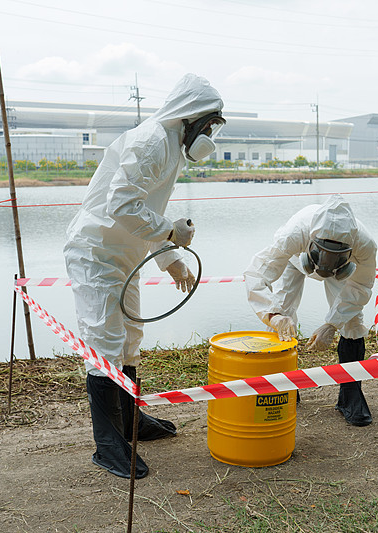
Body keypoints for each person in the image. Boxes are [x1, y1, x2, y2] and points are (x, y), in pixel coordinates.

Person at [63, 73, 225, 479]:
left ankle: (131, 421)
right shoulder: (152, 141)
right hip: (96, 252)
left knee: (130, 339)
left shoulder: (171, 147)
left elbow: (146, 210)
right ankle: (108, 446)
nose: (208, 135)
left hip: (125, 254)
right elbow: (121, 205)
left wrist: (171, 260)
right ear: (189, 117)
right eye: (208, 125)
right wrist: (170, 232)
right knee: (105, 343)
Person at [244, 194, 378, 426]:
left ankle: (350, 397)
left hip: (342, 270)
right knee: (282, 311)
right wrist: (274, 316)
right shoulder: (294, 234)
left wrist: (331, 324)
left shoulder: (365, 244)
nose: (325, 263)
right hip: (297, 259)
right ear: (312, 239)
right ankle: (283, 388)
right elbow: (257, 274)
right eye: (322, 252)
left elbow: (360, 287)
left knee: (352, 321)